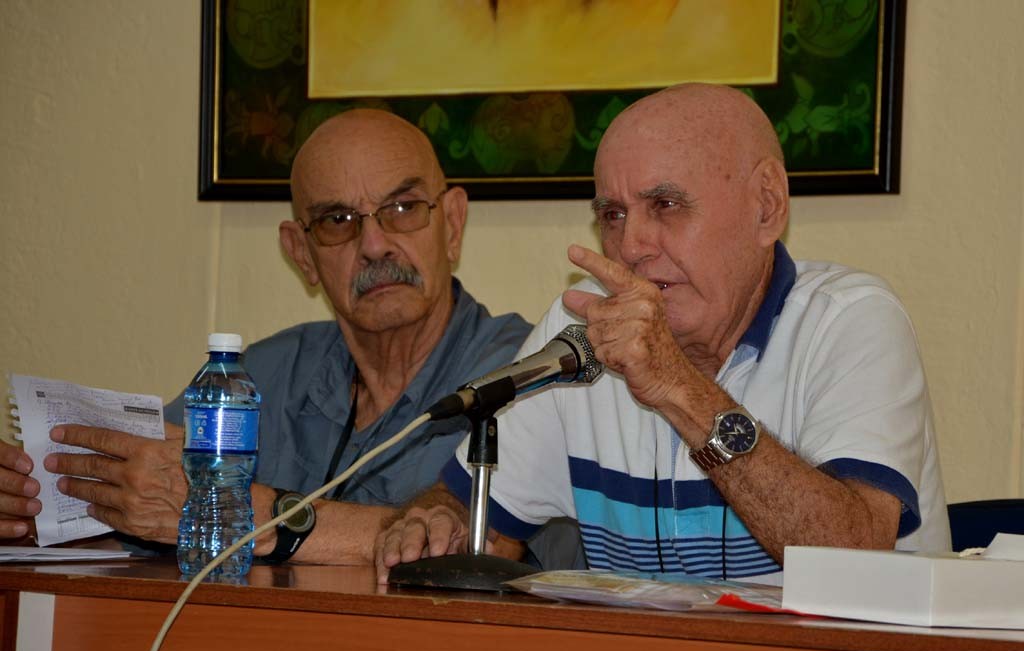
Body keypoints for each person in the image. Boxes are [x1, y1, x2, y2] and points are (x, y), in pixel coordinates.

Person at [375, 83, 950, 585]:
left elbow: (853, 560)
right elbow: (477, 517)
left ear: (767, 207)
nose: (631, 247)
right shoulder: (583, 329)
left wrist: (677, 387)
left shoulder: (848, 321)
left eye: (666, 204)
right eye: (613, 215)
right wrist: (439, 517)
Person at [0, 109, 533, 565]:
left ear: (454, 224)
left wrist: (246, 514)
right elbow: (153, 491)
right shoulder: (264, 371)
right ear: (301, 254)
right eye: (337, 219)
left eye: (403, 208)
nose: (375, 245)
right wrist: (38, 507)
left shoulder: (526, 369)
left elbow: (477, 540)